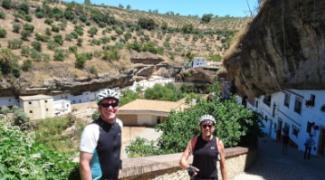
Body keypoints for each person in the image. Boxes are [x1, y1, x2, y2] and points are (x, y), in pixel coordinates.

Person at [79, 88, 123, 180]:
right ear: (99, 108)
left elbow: (115, 151)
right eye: (105, 105)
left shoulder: (119, 124)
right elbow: (84, 163)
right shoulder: (91, 130)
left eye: (113, 104)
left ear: (117, 107)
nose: (110, 108)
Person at [180, 114, 227, 180]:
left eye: (210, 126)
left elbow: (223, 166)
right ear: (201, 128)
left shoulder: (218, 142)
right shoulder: (194, 141)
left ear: (213, 128)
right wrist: (189, 167)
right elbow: (182, 161)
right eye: (204, 126)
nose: (207, 128)